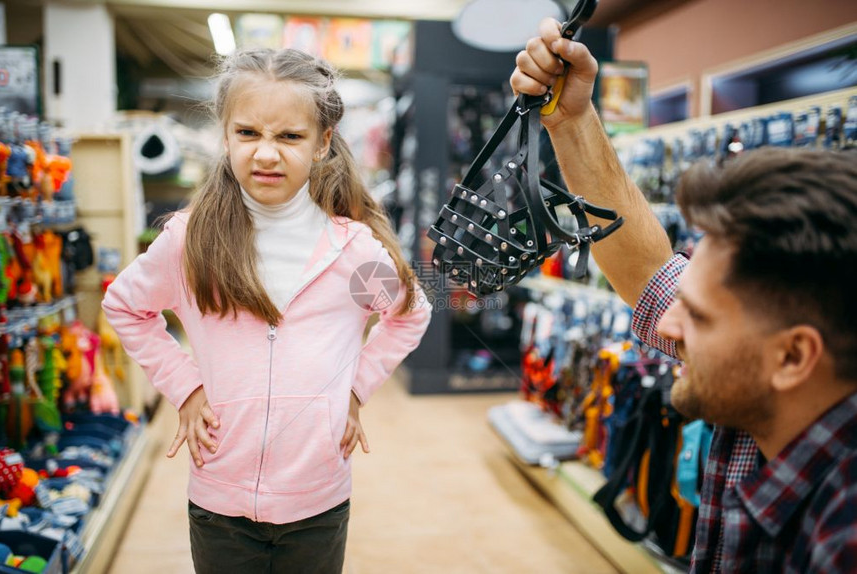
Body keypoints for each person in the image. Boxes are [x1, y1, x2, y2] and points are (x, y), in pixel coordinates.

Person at [511, 18, 857, 573]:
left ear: (793, 356)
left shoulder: (841, 534)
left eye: (696, 316)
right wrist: (571, 119)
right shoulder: (762, 382)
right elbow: (649, 271)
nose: (666, 328)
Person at [102, 48, 431, 573]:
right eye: (248, 133)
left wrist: (354, 387)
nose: (266, 154)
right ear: (225, 135)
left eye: (290, 136)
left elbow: (410, 312)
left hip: (319, 501)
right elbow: (124, 305)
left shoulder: (353, 251)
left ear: (323, 142)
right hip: (219, 503)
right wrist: (184, 386)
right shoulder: (191, 241)